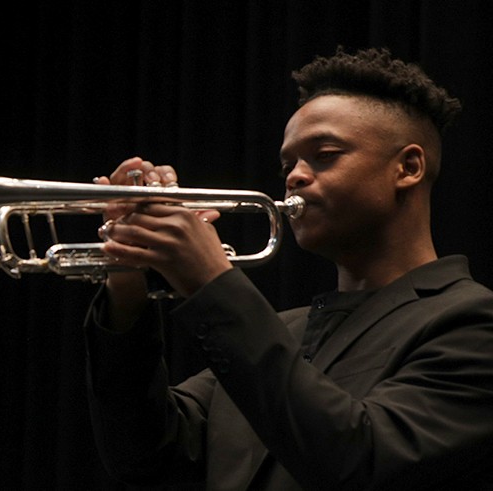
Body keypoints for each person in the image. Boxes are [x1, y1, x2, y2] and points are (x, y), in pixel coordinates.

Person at [84, 46, 493, 490]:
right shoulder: (285, 332)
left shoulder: (471, 323)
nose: (294, 176)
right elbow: (143, 456)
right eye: (288, 164)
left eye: (325, 154)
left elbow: (361, 461)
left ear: (408, 167)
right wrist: (126, 275)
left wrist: (211, 281)